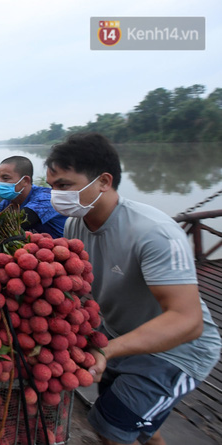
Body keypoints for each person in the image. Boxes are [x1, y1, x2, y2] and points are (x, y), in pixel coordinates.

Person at [45, 133, 221, 445]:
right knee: (141, 425)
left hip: (177, 353)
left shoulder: (153, 233)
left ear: (103, 181)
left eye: (64, 186)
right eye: (51, 186)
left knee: (109, 426)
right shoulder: (76, 223)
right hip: (122, 338)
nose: (55, 195)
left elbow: (187, 320)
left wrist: (106, 351)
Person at [0, 155, 66, 238]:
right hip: (28, 248)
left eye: (5, 178)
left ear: (25, 181)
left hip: (59, 247)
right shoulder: (8, 202)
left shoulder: (46, 198)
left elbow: (17, 224)